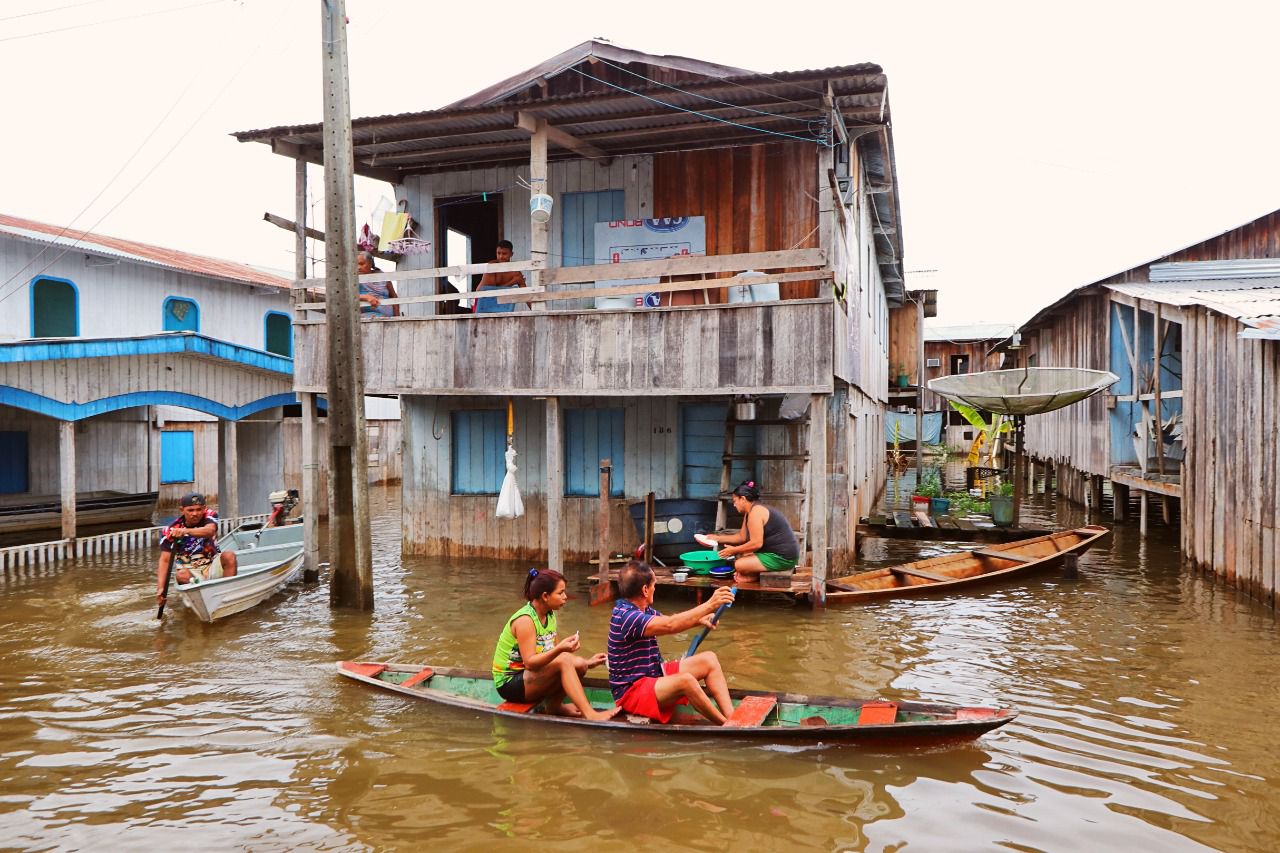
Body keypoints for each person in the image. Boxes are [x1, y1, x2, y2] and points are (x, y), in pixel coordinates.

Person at [607, 560, 736, 725]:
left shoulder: (640, 609)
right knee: (686, 680)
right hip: (631, 693)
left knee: (709, 660)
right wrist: (710, 604)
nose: (655, 588)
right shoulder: (627, 617)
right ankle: (725, 725)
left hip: (651, 675)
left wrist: (700, 620)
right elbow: (670, 625)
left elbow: (668, 620)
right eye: (654, 584)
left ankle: (733, 718)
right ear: (645, 590)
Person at [492, 568, 620, 721]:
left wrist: (588, 662)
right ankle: (590, 714)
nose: (565, 597)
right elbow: (530, 662)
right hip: (510, 683)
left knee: (579, 664)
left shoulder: (549, 614)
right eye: (560, 593)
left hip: (530, 678)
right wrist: (561, 649)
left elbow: (557, 655)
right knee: (566, 659)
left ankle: (554, 705)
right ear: (545, 596)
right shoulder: (525, 620)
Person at [702, 480, 799, 584]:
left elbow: (757, 543)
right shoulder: (750, 512)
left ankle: (753, 576)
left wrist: (733, 550)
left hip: (783, 557)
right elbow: (741, 537)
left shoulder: (756, 513)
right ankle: (750, 575)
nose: (734, 505)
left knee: (739, 564)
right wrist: (716, 538)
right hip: (772, 553)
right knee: (742, 556)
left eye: (735, 501)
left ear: (743, 499)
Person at [154, 492, 237, 607]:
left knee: (229, 556)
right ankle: (202, 592)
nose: (195, 514)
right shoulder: (170, 530)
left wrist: (185, 531)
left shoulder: (210, 515)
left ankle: (227, 596)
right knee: (180, 575)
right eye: (190, 510)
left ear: (204, 508)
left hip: (211, 565)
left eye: (199, 509)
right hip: (190, 573)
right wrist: (161, 589)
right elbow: (165, 560)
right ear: (182, 510)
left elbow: (210, 531)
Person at [472, 239, 524, 314]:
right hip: (482, 301)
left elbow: (525, 292)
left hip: (500, 304)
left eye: (504, 254)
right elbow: (491, 294)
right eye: (498, 253)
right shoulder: (492, 266)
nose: (501, 256)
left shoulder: (516, 272)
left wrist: (536, 310)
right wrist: (513, 282)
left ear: (511, 254)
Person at [356, 251, 399, 317]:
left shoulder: (381, 275)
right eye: (356, 265)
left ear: (370, 264)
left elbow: (394, 296)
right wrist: (365, 297)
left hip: (389, 316)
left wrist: (397, 317)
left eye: (361, 264)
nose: (358, 267)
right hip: (368, 314)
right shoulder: (354, 279)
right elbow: (348, 296)